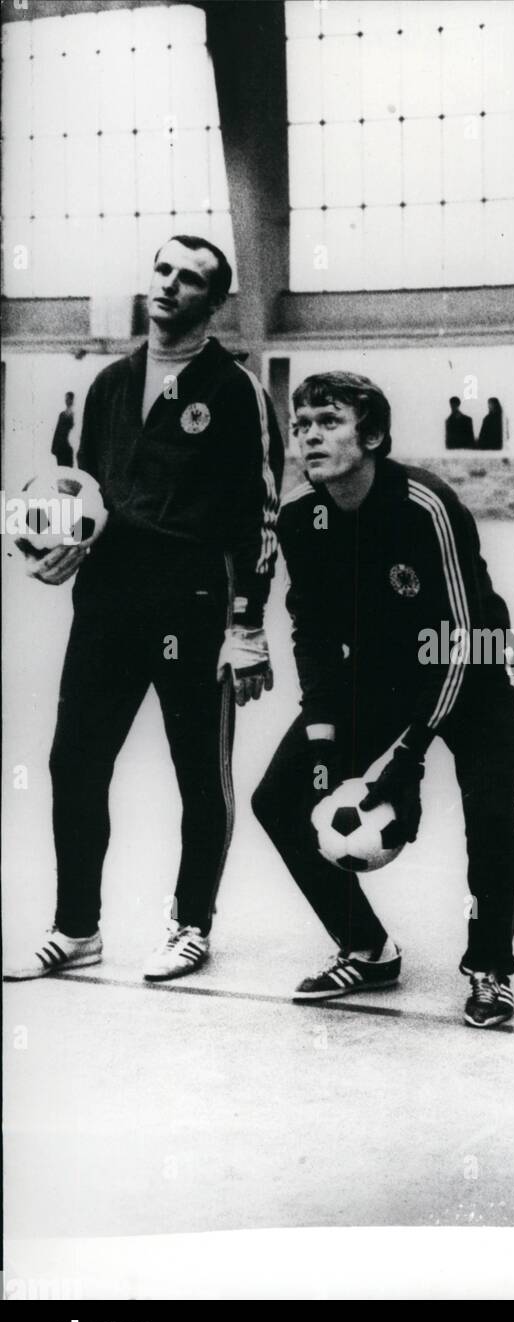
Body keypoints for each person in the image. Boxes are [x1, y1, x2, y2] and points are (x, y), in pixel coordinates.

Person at [6, 235, 283, 984]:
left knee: (200, 773)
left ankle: (191, 925)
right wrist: (49, 552)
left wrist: (248, 624)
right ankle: (76, 930)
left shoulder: (235, 391)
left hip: (193, 607)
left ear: (213, 301)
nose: (168, 286)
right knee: (74, 762)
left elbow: (262, 512)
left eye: (189, 280)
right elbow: (79, 492)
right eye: (162, 269)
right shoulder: (107, 385)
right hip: (106, 605)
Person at [252, 372, 514, 1028]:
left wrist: (410, 756)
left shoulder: (424, 504)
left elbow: (470, 635)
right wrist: (322, 734)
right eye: (302, 424)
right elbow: (311, 630)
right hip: (378, 676)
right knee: (278, 799)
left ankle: (490, 967)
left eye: (329, 421)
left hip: (470, 669)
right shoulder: (299, 515)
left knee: (490, 817)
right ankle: (366, 948)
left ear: (371, 435)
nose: (310, 435)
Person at [51, 391, 76, 467]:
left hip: (69, 447)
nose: (66, 400)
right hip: (61, 447)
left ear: (72, 400)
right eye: (65, 399)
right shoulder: (62, 414)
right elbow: (57, 431)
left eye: (67, 399)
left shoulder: (75, 414)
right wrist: (54, 447)